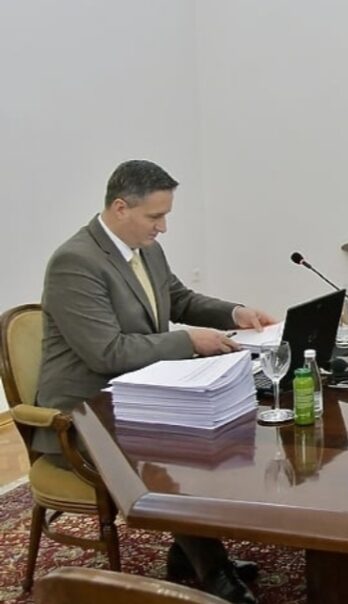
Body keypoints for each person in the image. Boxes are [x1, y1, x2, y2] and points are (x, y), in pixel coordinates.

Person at [37, 159, 273, 604]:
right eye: (155, 216)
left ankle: (190, 553)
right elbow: (106, 352)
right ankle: (215, 572)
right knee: (180, 448)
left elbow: (178, 298)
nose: (163, 227)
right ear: (120, 208)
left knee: (225, 422)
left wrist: (234, 313)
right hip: (84, 416)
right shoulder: (75, 262)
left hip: (137, 393)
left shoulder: (145, 248)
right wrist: (188, 341)